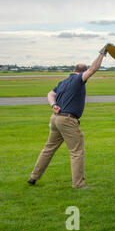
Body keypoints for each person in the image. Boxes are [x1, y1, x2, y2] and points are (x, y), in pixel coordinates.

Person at [27, 45, 108, 188]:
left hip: (55, 119)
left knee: (48, 149)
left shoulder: (63, 82)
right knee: (77, 152)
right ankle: (79, 185)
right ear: (81, 73)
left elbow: (50, 94)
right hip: (68, 120)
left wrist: (53, 105)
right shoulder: (78, 80)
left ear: (74, 70)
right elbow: (93, 69)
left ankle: (33, 177)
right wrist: (102, 54)